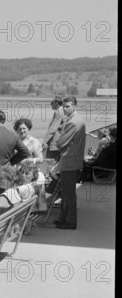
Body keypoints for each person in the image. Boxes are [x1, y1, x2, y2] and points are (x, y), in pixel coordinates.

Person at [54, 96, 86, 230]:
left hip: (69, 162)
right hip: (74, 161)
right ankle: (63, 218)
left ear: (74, 106)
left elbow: (60, 143)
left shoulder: (72, 122)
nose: (65, 109)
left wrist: (58, 140)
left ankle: (71, 221)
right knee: (67, 191)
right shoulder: (77, 120)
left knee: (68, 193)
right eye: (64, 106)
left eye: (67, 106)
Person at [42, 96, 65, 162]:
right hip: (61, 142)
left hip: (55, 143)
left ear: (56, 103)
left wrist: (45, 141)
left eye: (52, 102)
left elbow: (53, 129)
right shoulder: (63, 111)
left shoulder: (59, 112)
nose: (51, 104)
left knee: (50, 162)